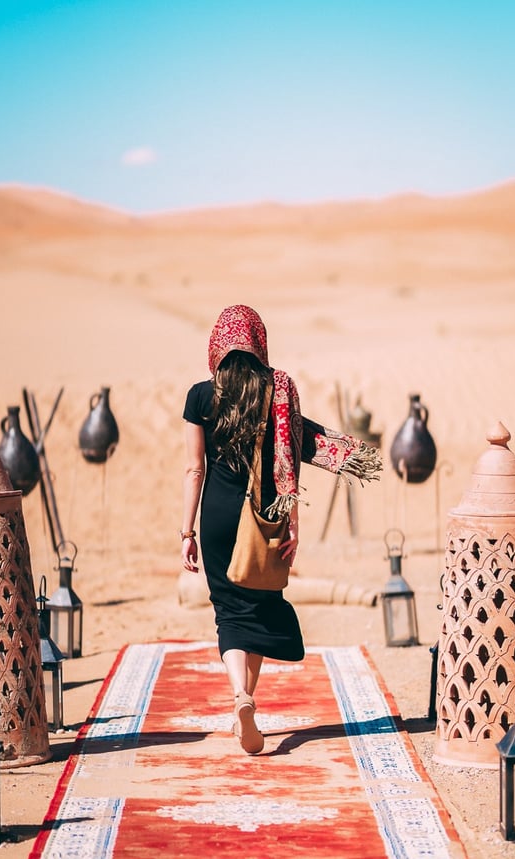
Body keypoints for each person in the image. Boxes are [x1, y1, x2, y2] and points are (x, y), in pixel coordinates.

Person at [181, 305, 381, 755]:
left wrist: (186, 532)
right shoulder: (279, 389)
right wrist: (292, 522)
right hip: (265, 515)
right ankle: (247, 699)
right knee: (259, 602)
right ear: (258, 341)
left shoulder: (198, 396)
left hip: (215, 518)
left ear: (218, 344)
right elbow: (288, 456)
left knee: (228, 613)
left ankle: (240, 698)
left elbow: (194, 469)